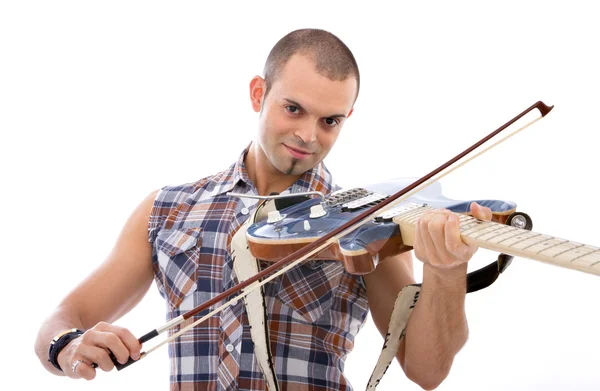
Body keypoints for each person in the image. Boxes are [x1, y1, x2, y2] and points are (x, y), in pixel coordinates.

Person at [34, 28, 492, 391]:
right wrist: (68, 346)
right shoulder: (167, 209)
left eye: (329, 120)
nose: (308, 135)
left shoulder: (368, 223)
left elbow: (427, 371)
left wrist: (446, 272)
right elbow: (62, 319)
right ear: (259, 94)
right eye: (293, 109)